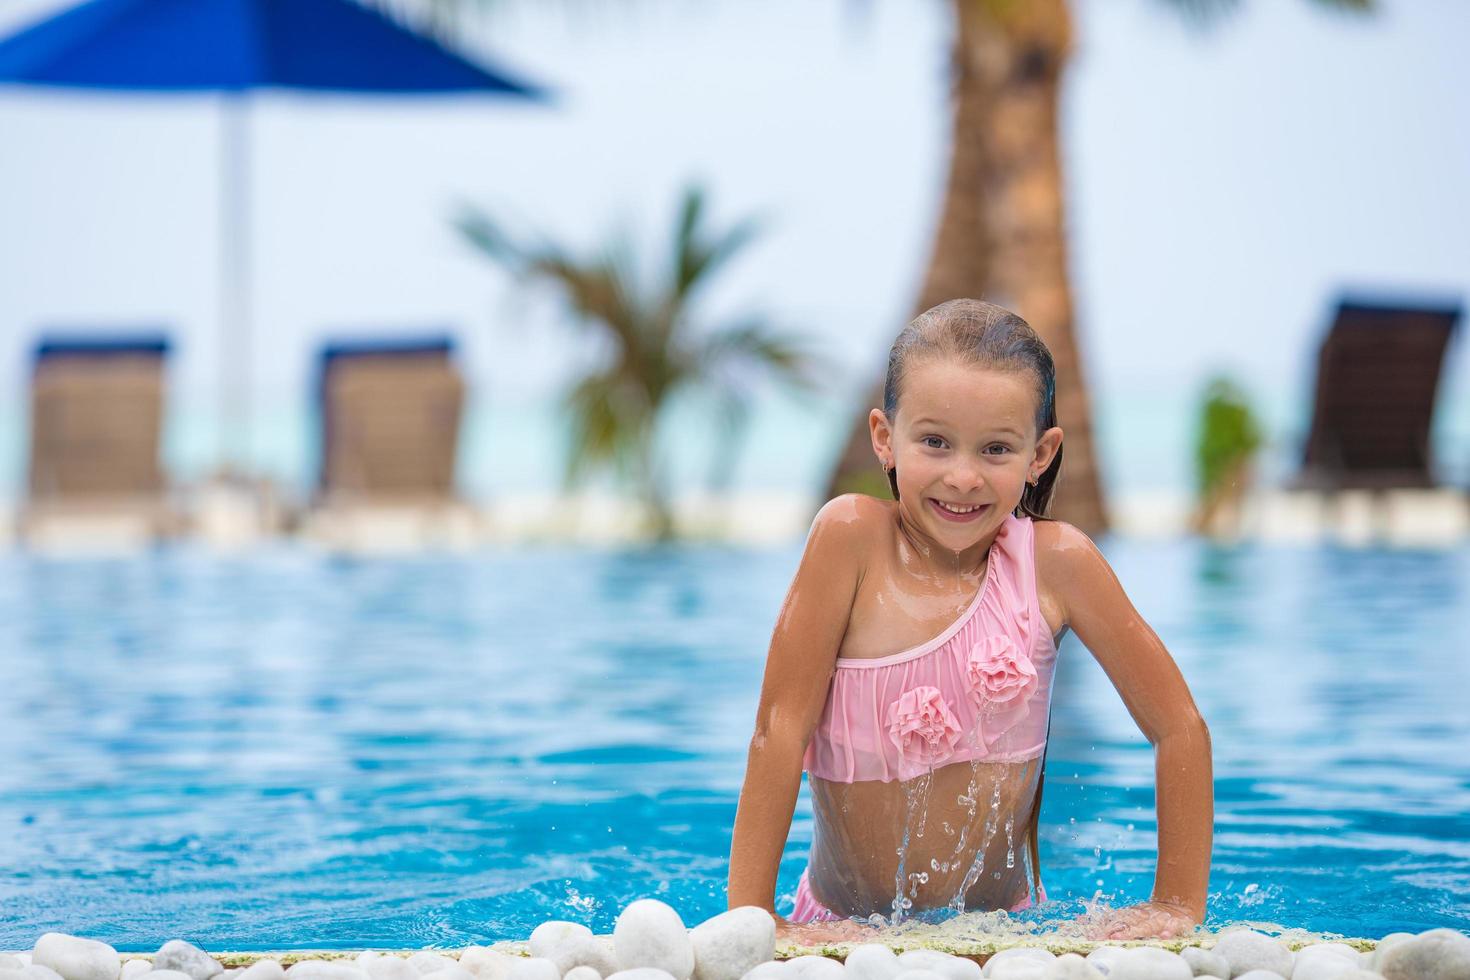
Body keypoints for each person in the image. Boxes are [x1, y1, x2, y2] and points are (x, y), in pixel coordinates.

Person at [726, 299, 1213, 942]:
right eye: (934, 442)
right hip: (841, 929)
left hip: (1005, 934)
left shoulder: (1056, 565)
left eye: (995, 449)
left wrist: (1176, 904)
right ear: (884, 437)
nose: (962, 476)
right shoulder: (848, 540)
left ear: (1040, 455)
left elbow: (1179, 726)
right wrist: (755, 921)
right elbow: (777, 730)